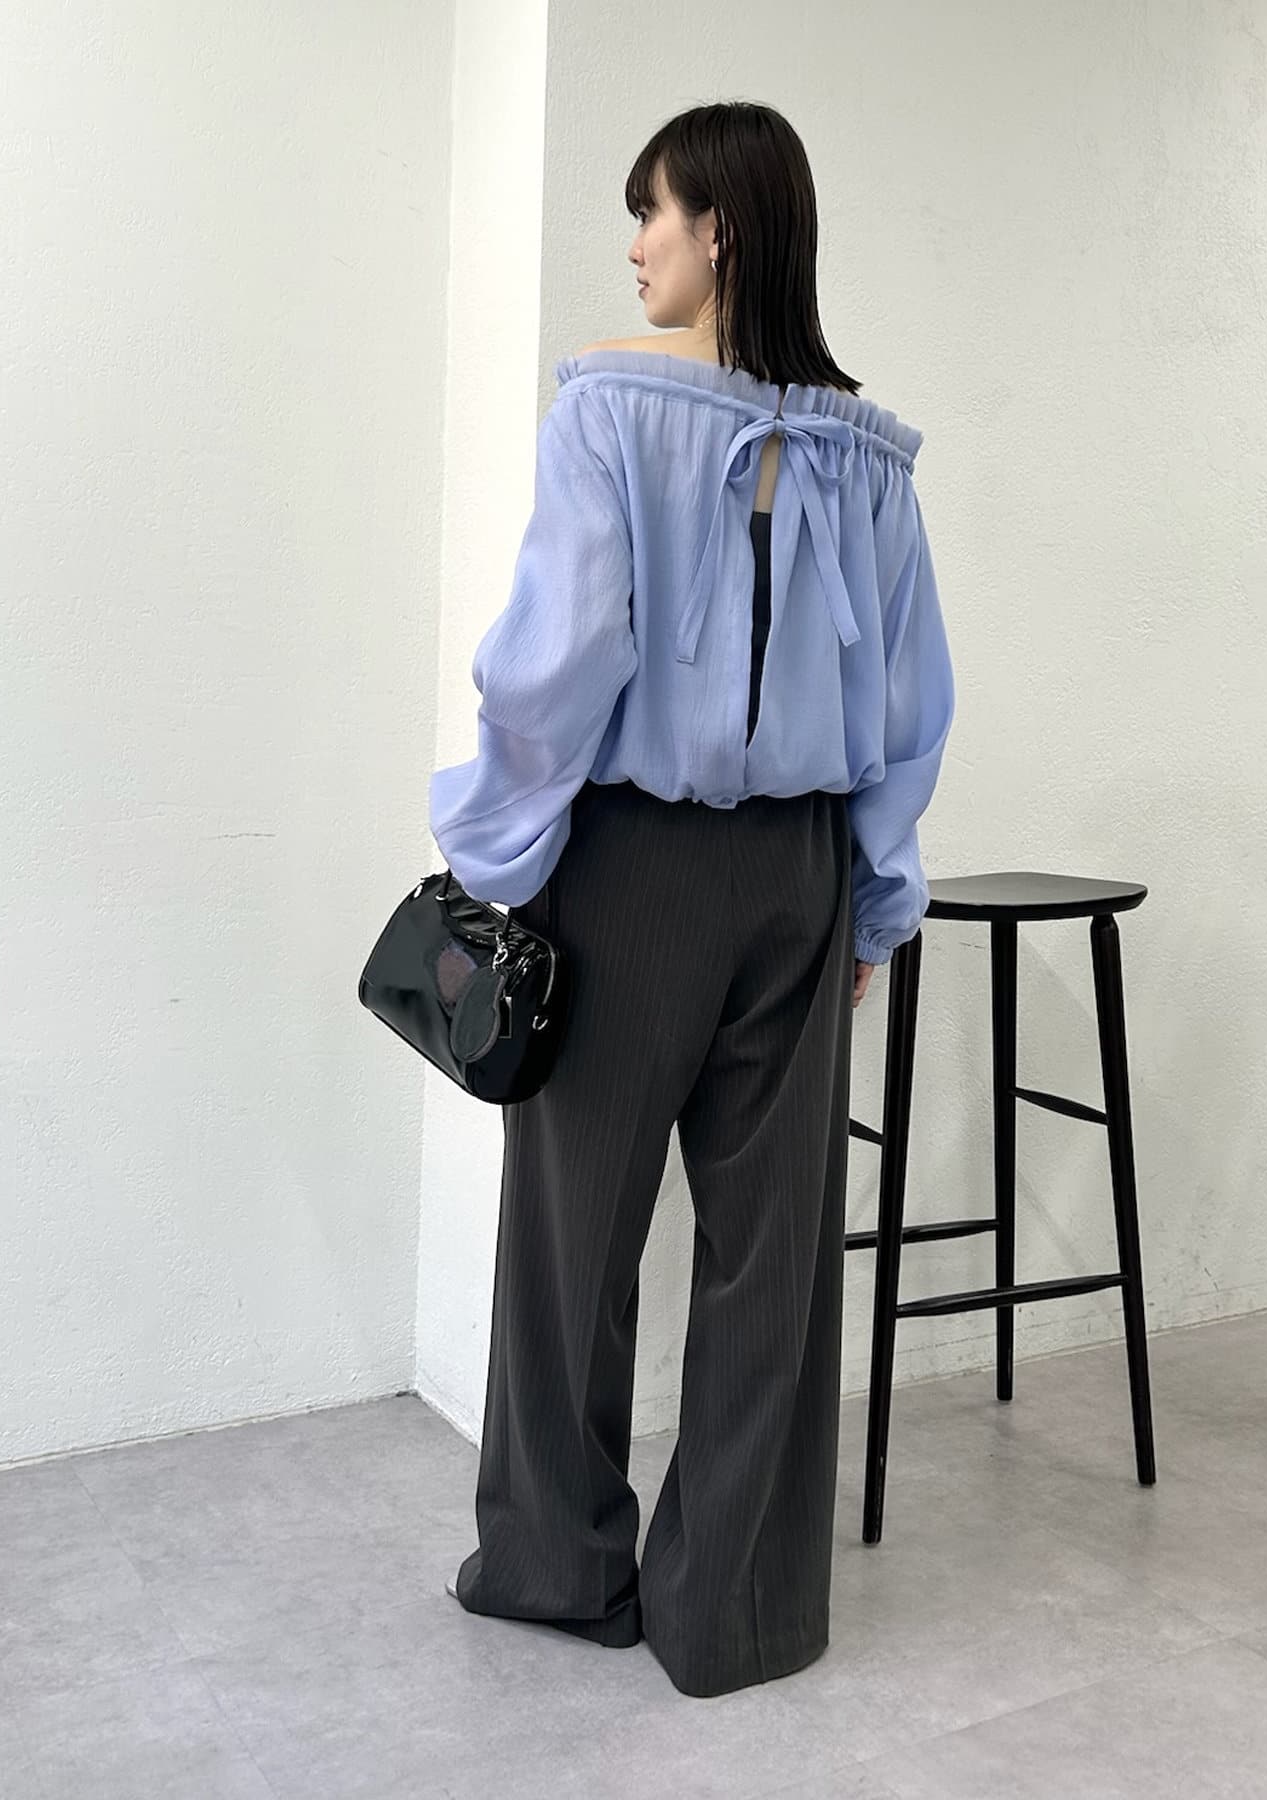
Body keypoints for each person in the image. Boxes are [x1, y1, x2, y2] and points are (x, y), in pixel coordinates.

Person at [428, 100, 956, 1699]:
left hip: (630, 868)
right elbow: (907, 705)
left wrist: (492, 855)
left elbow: (555, 667)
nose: (635, 244)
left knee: (571, 1241)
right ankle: (735, 1610)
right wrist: (873, 900)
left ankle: (558, 1562)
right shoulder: (866, 452)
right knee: (772, 1256)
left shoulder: (609, 409)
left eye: (651, 211)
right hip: (800, 876)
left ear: (717, 226)